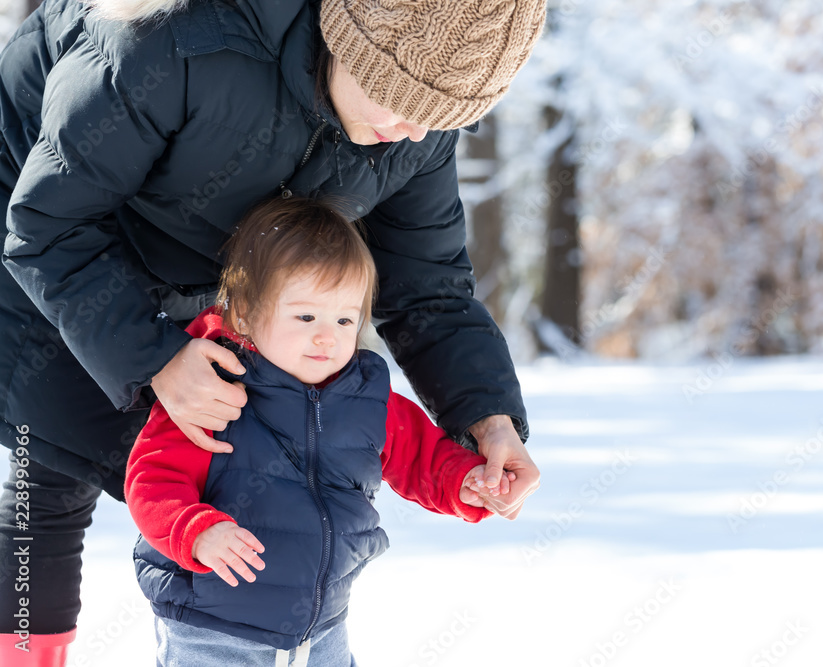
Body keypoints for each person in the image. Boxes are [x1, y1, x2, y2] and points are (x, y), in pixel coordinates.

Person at [0, 0, 546, 663]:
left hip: (208, 248)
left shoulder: (415, 126)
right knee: (52, 461)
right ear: (354, 39)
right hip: (40, 212)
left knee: (253, 449)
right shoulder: (172, 41)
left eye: (439, 118)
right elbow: (47, 227)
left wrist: (487, 418)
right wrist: (156, 360)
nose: (413, 130)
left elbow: (427, 286)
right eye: (400, 102)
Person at [127, 196, 508, 666]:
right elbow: (153, 480)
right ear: (244, 313)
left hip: (324, 626)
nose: (327, 336)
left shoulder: (367, 397)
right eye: (306, 316)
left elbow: (422, 457)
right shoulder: (212, 387)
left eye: (344, 319)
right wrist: (196, 532)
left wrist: (464, 482)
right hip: (214, 626)